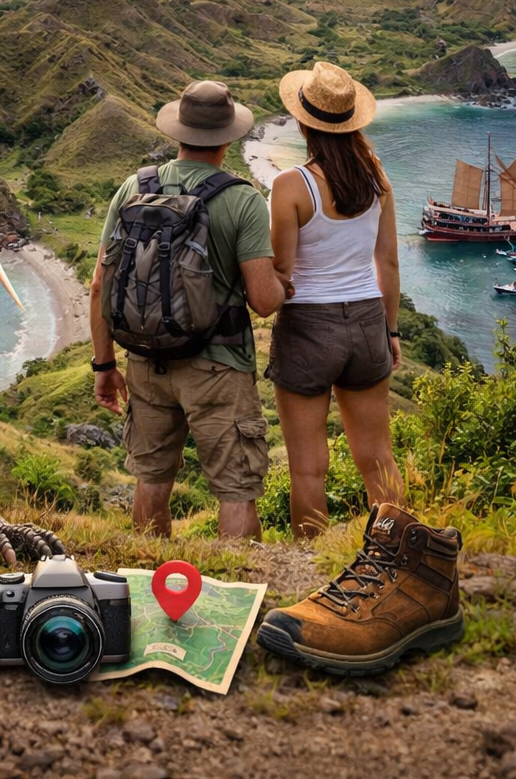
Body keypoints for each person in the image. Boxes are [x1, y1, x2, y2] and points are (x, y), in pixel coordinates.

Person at [89, 79, 289, 540]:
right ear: (228, 138)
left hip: (145, 360)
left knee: (152, 480)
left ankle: (145, 586)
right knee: (236, 487)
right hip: (218, 368)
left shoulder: (133, 187)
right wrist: (284, 284)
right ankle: (238, 591)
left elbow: (100, 284)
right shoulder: (242, 199)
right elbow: (262, 301)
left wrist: (104, 364)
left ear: (178, 132)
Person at [266, 60, 405, 539]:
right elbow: (387, 264)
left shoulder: (291, 185)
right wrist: (390, 330)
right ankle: (397, 556)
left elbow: (282, 273)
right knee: (378, 458)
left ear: (304, 123)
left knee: (308, 466)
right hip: (368, 321)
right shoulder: (377, 179)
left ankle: (311, 565)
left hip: (308, 327)